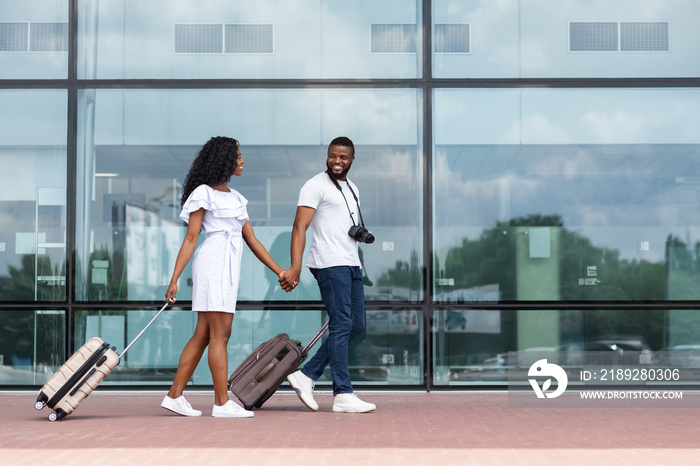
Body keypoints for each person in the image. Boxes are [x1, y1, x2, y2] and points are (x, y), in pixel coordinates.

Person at [161, 136, 293, 418]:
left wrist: (280, 270)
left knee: (205, 334)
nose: (243, 161)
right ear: (225, 160)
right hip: (213, 263)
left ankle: (174, 396)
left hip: (227, 264)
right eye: (239, 156)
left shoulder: (235, 198)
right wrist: (174, 280)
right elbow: (191, 239)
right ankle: (221, 403)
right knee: (220, 334)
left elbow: (253, 240)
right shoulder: (203, 194)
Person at [281, 136, 376, 413]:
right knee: (341, 323)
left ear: (352, 159)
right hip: (328, 263)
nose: (337, 161)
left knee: (355, 325)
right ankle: (343, 393)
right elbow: (300, 227)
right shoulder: (314, 185)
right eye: (333, 155)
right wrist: (295, 267)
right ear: (327, 155)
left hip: (350, 264)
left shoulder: (353, 188)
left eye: (343, 157)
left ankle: (306, 374)